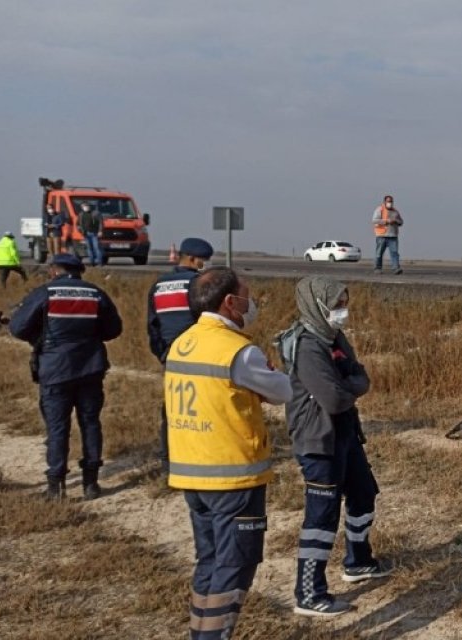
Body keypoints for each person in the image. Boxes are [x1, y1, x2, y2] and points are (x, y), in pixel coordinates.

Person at [165, 267, 291, 640]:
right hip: (233, 475)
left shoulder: (183, 342)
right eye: (247, 296)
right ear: (230, 302)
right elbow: (284, 392)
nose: (252, 304)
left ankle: (200, 633)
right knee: (235, 565)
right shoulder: (237, 351)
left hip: (193, 473)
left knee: (210, 561)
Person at [280, 276, 391, 617]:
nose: (343, 310)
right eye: (338, 303)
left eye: (345, 302)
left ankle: (358, 561)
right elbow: (333, 397)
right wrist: (350, 385)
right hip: (319, 439)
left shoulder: (334, 336)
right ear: (318, 303)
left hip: (346, 433)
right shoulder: (308, 345)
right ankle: (310, 592)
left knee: (363, 493)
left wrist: (349, 384)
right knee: (322, 515)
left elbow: (360, 377)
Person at [9, 253, 123, 499]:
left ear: (53, 270)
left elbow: (17, 328)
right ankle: (91, 484)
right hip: (91, 368)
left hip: (55, 370)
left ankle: (55, 486)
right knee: (90, 423)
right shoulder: (95, 293)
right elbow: (114, 329)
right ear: (79, 271)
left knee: (58, 426)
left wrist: (40, 337)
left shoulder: (45, 293)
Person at [147, 237, 215, 476]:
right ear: (193, 259)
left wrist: (164, 355)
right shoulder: (199, 284)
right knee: (203, 408)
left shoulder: (159, 285)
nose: (204, 265)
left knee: (173, 408)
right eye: (203, 261)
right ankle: (199, 458)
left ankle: (168, 462)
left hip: (172, 357)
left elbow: (152, 326)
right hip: (200, 355)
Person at [371, 194, 403, 274]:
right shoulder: (379, 209)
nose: (390, 203)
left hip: (393, 235)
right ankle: (377, 268)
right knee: (379, 253)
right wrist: (387, 221)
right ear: (385, 201)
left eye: (391, 201)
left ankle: (396, 268)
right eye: (388, 201)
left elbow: (401, 222)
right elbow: (374, 220)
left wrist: (396, 221)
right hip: (382, 235)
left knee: (394, 253)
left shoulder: (395, 211)